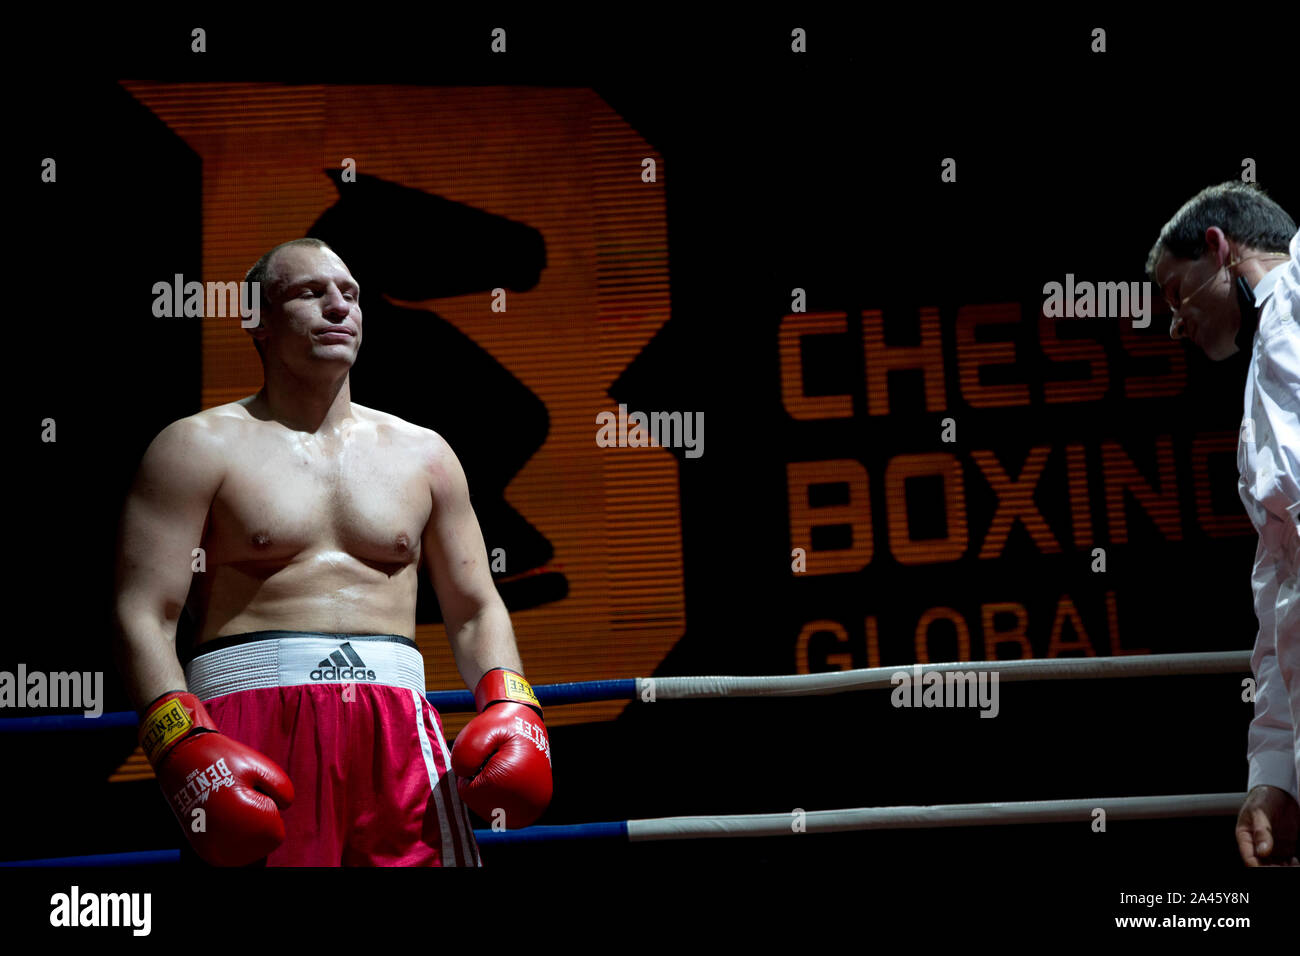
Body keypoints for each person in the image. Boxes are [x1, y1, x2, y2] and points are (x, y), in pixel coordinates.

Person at [113, 237, 552, 866]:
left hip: (401, 731)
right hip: (249, 722)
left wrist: (514, 705)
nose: (337, 307)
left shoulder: (424, 454)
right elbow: (141, 612)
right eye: (309, 293)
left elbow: (476, 608)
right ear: (257, 320)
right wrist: (178, 741)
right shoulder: (195, 448)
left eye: (349, 293)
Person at [1147, 181, 1299, 866]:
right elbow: (1279, 600)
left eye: (1176, 292)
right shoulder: (1255, 413)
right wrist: (1276, 772)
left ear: (1217, 247)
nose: (1174, 322)